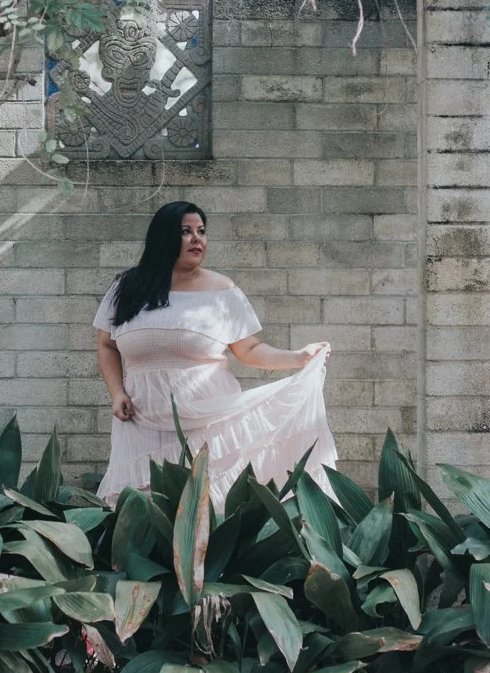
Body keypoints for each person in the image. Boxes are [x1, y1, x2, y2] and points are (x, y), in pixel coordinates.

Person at [93, 201, 337, 511]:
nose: (197, 239)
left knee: (208, 509)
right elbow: (107, 345)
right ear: (162, 237)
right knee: (142, 508)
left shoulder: (222, 291)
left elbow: (249, 349)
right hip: (140, 419)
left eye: (201, 231)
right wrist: (116, 392)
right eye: (186, 231)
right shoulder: (126, 287)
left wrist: (298, 357)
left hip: (208, 420)